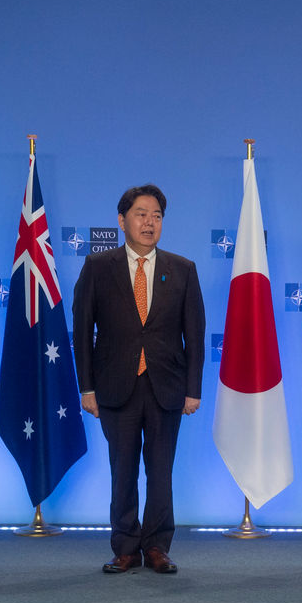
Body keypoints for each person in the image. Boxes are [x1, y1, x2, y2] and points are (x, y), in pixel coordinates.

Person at [73, 184, 204, 575]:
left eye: (157, 216)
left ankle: (158, 546)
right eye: (141, 214)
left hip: (166, 386)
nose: (150, 223)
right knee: (123, 468)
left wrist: (193, 390)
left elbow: (195, 335)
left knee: (161, 470)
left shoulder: (182, 269)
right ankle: (126, 546)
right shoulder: (98, 267)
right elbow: (82, 332)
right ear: (122, 220)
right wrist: (87, 387)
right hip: (116, 385)